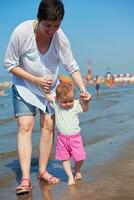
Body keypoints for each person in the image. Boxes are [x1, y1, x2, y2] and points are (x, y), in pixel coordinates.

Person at [4, 0, 91, 194]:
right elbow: (9, 64)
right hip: (25, 85)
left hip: (48, 90)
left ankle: (42, 171)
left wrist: (83, 89)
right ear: (38, 19)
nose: (52, 30)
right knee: (25, 126)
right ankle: (26, 178)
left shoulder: (60, 38)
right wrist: (35, 79)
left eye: (57, 25)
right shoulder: (22, 32)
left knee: (49, 126)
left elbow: (72, 66)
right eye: (47, 26)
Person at [45, 82, 91, 185]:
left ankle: (77, 170)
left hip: (75, 138)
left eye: (70, 100)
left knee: (80, 157)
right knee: (64, 159)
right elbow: (47, 96)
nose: (68, 103)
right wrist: (46, 89)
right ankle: (70, 177)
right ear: (58, 99)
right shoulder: (56, 104)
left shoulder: (75, 105)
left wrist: (86, 102)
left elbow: (85, 109)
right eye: (65, 102)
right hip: (62, 139)